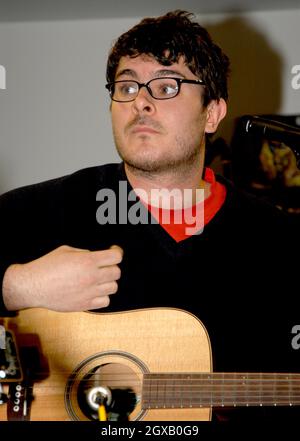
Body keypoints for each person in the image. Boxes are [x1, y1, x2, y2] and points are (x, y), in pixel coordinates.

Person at [0, 10, 299, 422]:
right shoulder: (46, 208)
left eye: (165, 85)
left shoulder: (279, 241)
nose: (140, 100)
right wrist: (16, 286)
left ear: (212, 112)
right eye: (126, 86)